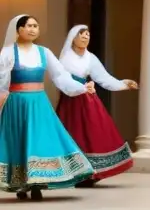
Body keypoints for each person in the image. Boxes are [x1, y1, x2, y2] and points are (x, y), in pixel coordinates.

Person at [0, 15, 94, 199]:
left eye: (36, 25)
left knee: (38, 140)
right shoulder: (8, 53)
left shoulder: (44, 52)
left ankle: (37, 183)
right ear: (18, 29)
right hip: (16, 104)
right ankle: (21, 184)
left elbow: (60, 76)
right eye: (28, 26)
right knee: (19, 141)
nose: (33, 29)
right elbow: (2, 81)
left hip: (39, 103)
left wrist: (82, 87)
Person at [56, 24, 138, 186]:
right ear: (73, 37)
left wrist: (123, 84)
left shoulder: (90, 57)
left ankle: (93, 172)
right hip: (71, 101)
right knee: (73, 133)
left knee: (94, 132)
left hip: (88, 101)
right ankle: (74, 172)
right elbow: (61, 80)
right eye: (82, 34)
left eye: (88, 35)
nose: (86, 37)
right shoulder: (65, 58)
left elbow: (103, 78)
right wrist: (79, 87)